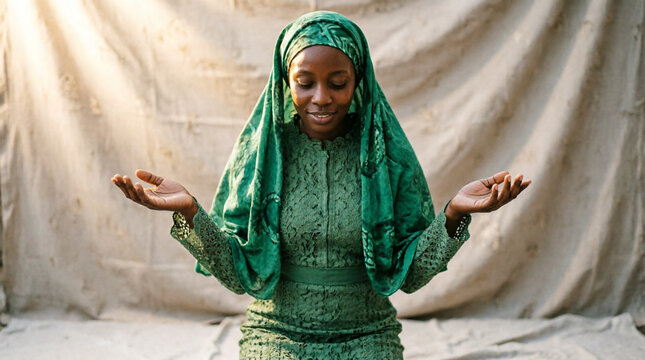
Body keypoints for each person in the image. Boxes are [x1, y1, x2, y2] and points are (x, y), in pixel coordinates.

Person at [112, 11, 530, 359]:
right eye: (304, 81)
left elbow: (411, 275)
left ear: (359, 79)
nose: (321, 98)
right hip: (277, 333)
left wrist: (454, 214)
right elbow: (240, 275)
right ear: (284, 81)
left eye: (337, 82)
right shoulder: (263, 159)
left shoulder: (386, 159)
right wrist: (188, 213)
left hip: (366, 334)